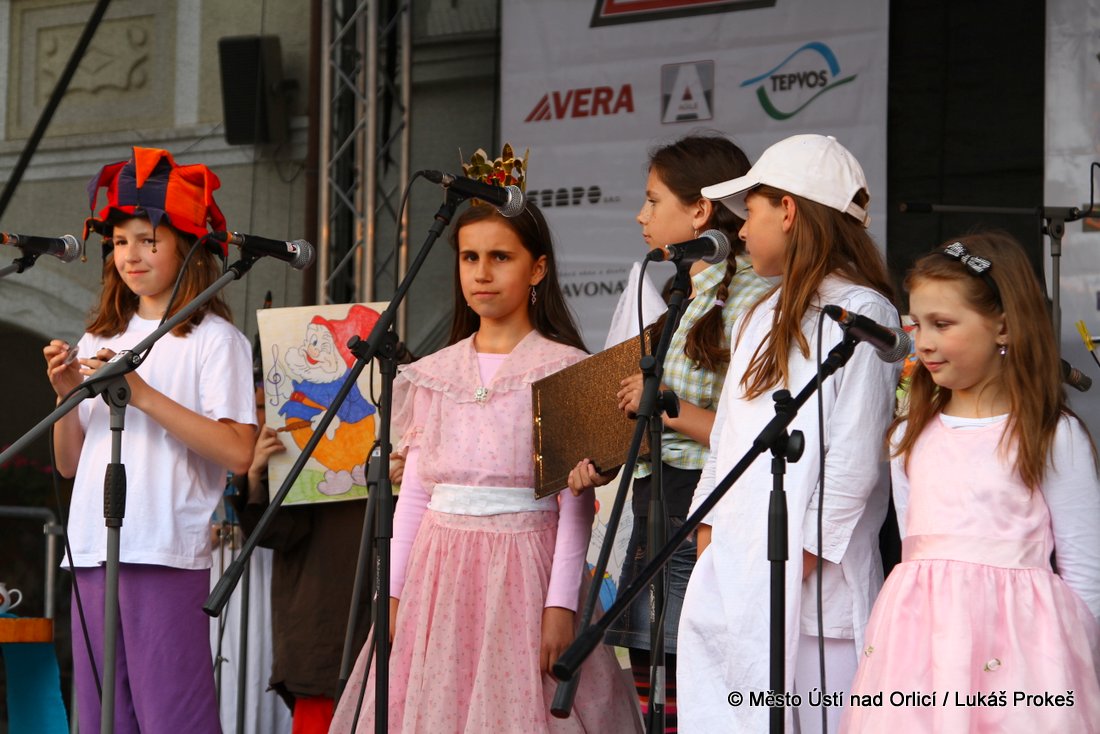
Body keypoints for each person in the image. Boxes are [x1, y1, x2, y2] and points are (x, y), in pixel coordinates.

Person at [329, 172, 642, 732]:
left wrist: (561, 604)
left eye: (500, 257)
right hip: (437, 576)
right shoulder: (433, 373)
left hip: (525, 572)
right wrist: (391, 592)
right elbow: (415, 498)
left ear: (537, 269)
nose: (481, 273)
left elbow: (574, 506)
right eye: (469, 257)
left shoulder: (564, 368)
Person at [676, 134, 901, 733]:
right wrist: (710, 540)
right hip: (738, 579)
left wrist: (782, 569)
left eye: (750, 211)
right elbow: (728, 443)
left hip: (814, 598)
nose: (742, 230)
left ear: (788, 210)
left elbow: (854, 465)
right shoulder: (758, 315)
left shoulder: (866, 313)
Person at [843, 233, 1100, 732]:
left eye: (942, 324)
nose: (924, 342)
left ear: (1003, 325)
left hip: (1026, 659)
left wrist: (1075, 669)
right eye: (917, 324)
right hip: (920, 652)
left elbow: (1085, 571)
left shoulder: (1049, 433)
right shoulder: (908, 435)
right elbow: (915, 554)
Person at [43, 147, 256, 732]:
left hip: (162, 544)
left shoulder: (215, 340)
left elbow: (239, 451)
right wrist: (66, 397)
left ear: (186, 247)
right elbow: (69, 464)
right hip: (93, 545)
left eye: (147, 240)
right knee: (102, 717)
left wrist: (141, 394)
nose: (130, 254)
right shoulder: (99, 338)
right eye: (119, 241)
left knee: (172, 715)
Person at [566, 133, 771, 732]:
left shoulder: (755, 297)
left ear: (700, 211)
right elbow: (654, 418)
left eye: (654, 201)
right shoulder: (681, 294)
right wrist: (604, 455)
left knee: (692, 682)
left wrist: (666, 406)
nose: (641, 215)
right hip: (653, 500)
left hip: (702, 505)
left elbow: (756, 430)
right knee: (651, 678)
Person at [228, 368, 373, 733]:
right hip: (319, 623)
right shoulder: (297, 456)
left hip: (383, 620)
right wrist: (256, 477)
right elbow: (276, 534)